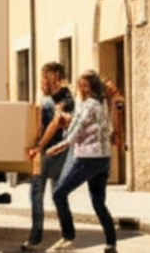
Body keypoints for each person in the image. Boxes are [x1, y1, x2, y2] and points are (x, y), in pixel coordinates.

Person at [45, 70, 117, 253]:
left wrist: (59, 146)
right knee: (98, 202)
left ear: (93, 87)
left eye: (86, 85)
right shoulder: (97, 104)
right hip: (102, 159)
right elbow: (84, 126)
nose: (82, 89)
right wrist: (68, 125)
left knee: (59, 193)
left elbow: (78, 129)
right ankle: (111, 244)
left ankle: (68, 238)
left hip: (88, 158)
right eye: (80, 85)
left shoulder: (89, 105)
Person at [21, 62, 75, 251]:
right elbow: (42, 125)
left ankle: (35, 239)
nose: (42, 81)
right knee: (58, 194)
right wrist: (34, 143)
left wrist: (39, 146)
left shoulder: (65, 98)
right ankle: (67, 235)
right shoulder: (48, 98)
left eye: (45, 77)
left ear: (55, 78)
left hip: (53, 151)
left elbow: (54, 124)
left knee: (37, 190)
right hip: (50, 151)